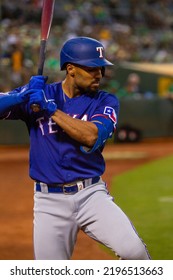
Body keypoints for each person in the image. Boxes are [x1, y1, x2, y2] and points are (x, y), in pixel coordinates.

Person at [0, 37, 151, 260]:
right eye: (91, 68)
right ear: (70, 69)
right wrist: (20, 96)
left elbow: (91, 136)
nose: (98, 74)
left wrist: (50, 110)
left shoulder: (105, 101)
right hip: (49, 202)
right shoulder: (41, 93)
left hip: (91, 195)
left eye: (101, 68)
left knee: (135, 253)